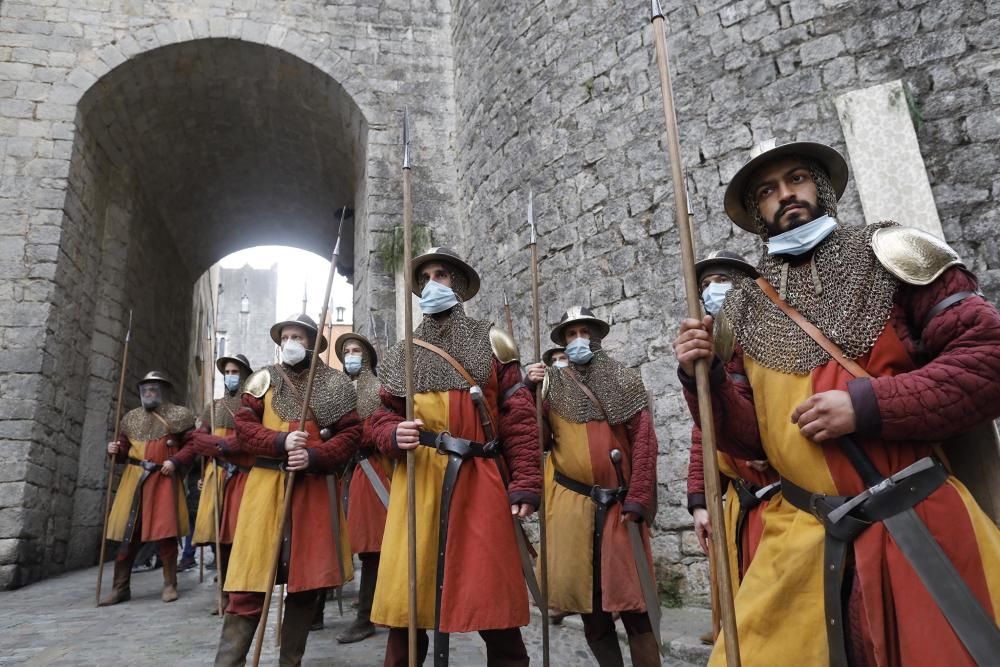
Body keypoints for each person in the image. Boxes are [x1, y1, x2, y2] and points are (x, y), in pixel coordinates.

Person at [672, 138, 1000, 666]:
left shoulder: (895, 254)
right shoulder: (743, 309)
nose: (786, 196)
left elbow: (986, 363)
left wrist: (868, 406)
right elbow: (747, 438)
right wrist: (701, 379)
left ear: (820, 185)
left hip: (916, 521)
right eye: (768, 191)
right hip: (801, 534)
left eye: (797, 179)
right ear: (757, 211)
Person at [370, 246, 541, 666]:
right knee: (408, 608)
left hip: (479, 479)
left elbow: (518, 418)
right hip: (420, 481)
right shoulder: (401, 353)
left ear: (458, 285)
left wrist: (526, 483)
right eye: (426, 277)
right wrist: (393, 431)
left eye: (442, 275)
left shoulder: (492, 341)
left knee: (494, 601)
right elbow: (376, 419)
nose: (432, 284)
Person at [214, 315, 362, 666]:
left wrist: (313, 455)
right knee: (249, 581)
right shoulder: (262, 380)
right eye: (287, 336)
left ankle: (290, 662)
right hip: (265, 490)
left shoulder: (335, 385)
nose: (291, 341)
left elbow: (351, 435)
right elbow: (245, 429)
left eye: (298, 336)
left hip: (312, 491)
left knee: (305, 584)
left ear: (311, 342)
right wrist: (280, 440)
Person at [524, 306, 660, 667]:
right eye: (571, 334)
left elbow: (645, 443)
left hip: (620, 509)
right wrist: (529, 393)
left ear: (596, 336)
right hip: (573, 507)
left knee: (635, 604)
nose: (578, 340)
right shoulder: (551, 385)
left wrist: (640, 498)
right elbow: (536, 441)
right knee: (591, 607)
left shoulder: (624, 380)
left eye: (584, 332)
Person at [685, 251, 779, 646]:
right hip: (740, 500)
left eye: (720, 279)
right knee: (739, 599)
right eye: (704, 285)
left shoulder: (778, 334)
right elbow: (702, 431)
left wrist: (773, 449)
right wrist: (701, 501)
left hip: (784, 497)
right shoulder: (712, 348)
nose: (711, 290)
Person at [100, 371, 197, 605]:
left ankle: (170, 583)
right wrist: (116, 450)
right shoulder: (131, 419)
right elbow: (124, 450)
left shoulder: (179, 416)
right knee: (128, 534)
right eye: (146, 389)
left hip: (162, 480)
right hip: (134, 482)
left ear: (164, 391)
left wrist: (175, 461)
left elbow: (194, 444)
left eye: (154, 389)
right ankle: (120, 587)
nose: (149, 393)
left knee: (166, 534)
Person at [334, 332, 389, 644]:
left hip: (373, 471)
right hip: (344, 473)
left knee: (372, 547)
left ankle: (366, 616)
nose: (350, 355)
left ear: (366, 357)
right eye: (347, 351)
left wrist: (347, 436)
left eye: (355, 350)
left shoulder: (378, 389)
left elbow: (378, 427)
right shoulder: (337, 389)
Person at [189, 353, 254, 614]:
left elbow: (249, 440)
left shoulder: (251, 405)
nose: (230, 376)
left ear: (245, 375)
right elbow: (197, 441)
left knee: (237, 535)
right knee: (220, 538)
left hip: (242, 476)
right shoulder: (213, 407)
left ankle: (240, 592)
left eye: (235, 371)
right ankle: (223, 593)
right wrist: (223, 446)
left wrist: (222, 446)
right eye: (227, 372)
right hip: (217, 476)